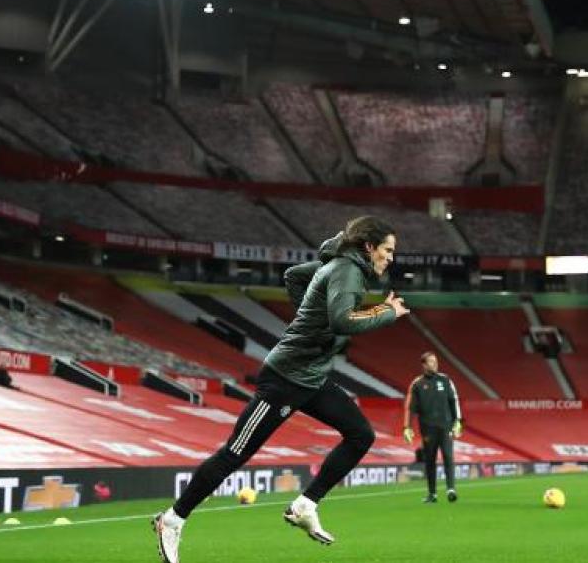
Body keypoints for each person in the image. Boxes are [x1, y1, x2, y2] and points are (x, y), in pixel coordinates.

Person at [153, 217, 408, 563]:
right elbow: (342, 321)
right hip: (285, 379)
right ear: (369, 246)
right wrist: (386, 312)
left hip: (311, 378)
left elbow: (294, 276)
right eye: (387, 250)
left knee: (360, 434)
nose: (390, 258)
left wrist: (310, 319)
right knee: (234, 453)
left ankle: (305, 505)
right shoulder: (347, 270)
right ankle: (172, 520)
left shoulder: (339, 265)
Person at [403, 351, 462, 503]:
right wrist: (407, 427)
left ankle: (451, 489)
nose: (435, 364)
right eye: (431, 361)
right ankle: (432, 494)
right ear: (423, 364)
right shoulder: (417, 384)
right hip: (428, 428)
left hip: (445, 426)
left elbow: (454, 400)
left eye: (435, 361)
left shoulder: (445, 380)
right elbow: (410, 408)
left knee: (448, 456)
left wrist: (457, 421)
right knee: (430, 460)